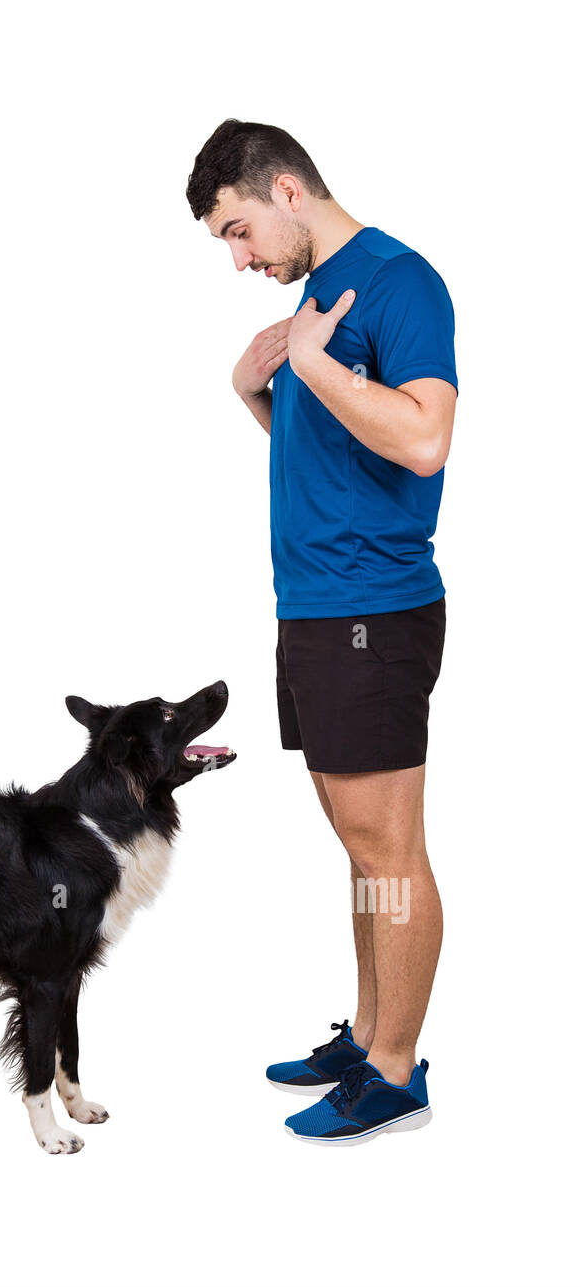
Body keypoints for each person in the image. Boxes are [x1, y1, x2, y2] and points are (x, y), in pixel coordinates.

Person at [186, 120, 457, 1143]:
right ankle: (366, 1030)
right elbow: (344, 457)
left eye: (237, 229)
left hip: (369, 613)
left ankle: (396, 1070)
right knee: (356, 846)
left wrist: (314, 362)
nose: (238, 257)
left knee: (386, 844)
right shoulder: (310, 298)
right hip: (310, 607)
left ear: (286, 189)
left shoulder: (395, 283)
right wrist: (261, 394)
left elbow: (424, 438)